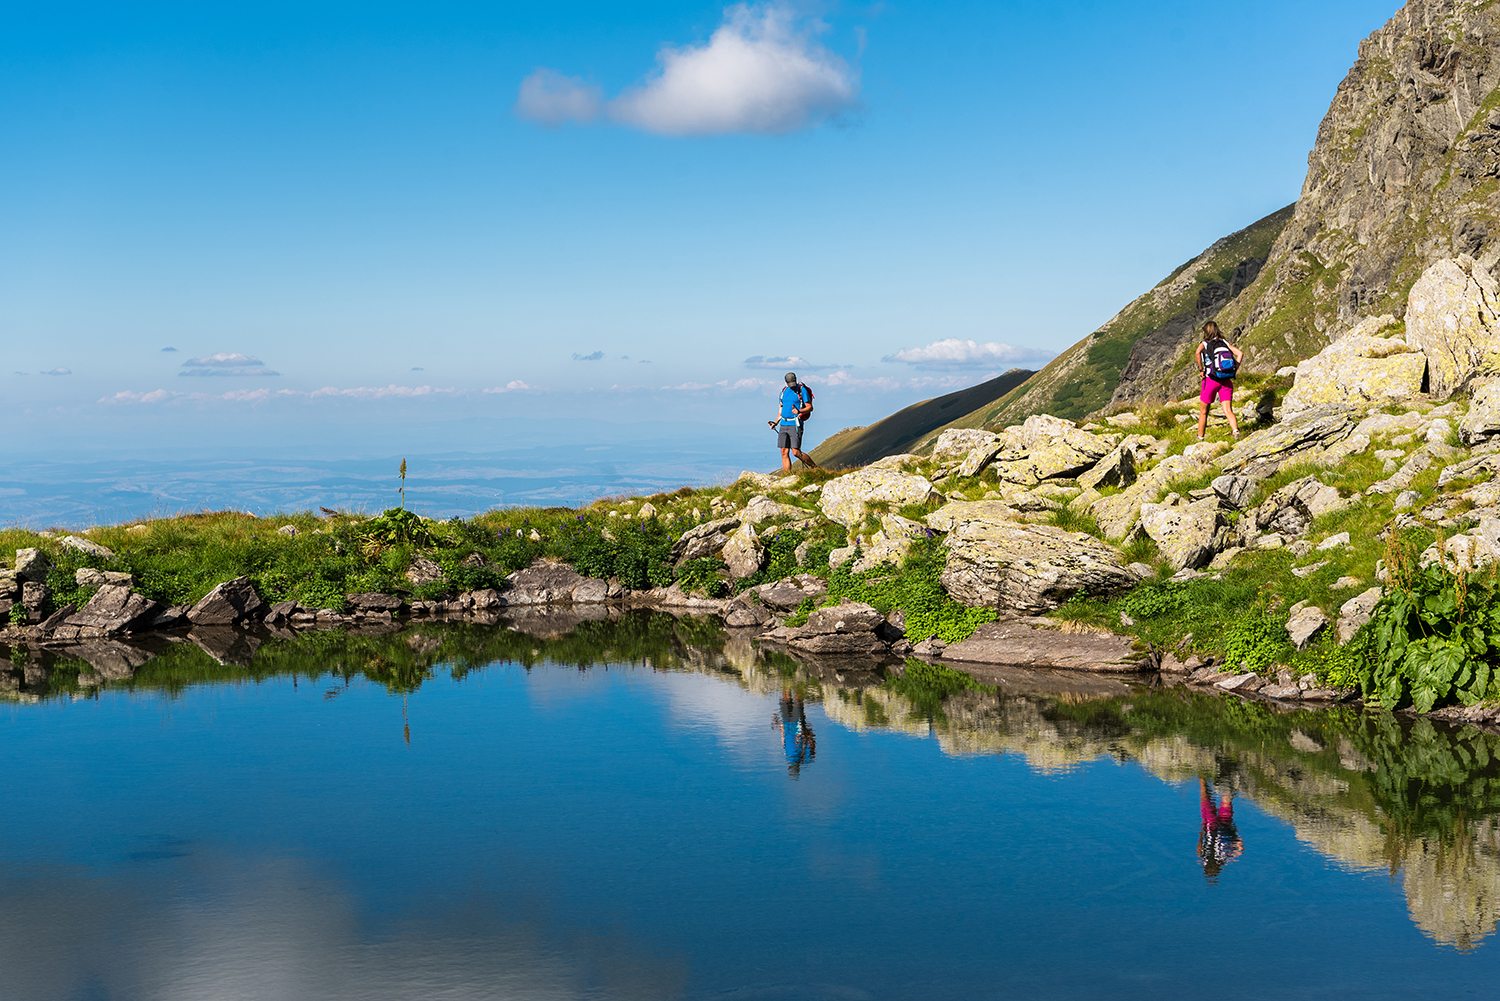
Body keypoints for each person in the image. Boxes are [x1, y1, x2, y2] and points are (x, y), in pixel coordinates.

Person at [1195, 321, 1243, 441]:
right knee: (1228, 410)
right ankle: (1235, 431)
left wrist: (1201, 369)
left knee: (1204, 412)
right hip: (1226, 380)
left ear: (1206, 331)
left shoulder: (1205, 343)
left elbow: (1197, 352)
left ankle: (1200, 438)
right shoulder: (1223, 342)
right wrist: (1234, 369)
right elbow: (1239, 353)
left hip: (1210, 380)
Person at [1197, 778, 1244, 882]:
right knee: (1206, 799)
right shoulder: (1204, 857)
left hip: (1225, 826)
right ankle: (1203, 778)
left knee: (1225, 803)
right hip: (1210, 827)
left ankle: (1225, 779)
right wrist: (1201, 832)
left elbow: (1240, 849)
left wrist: (1237, 839)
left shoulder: (1224, 859)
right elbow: (1199, 848)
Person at [771, 372, 818, 473]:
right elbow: (781, 409)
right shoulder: (783, 391)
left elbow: (810, 407)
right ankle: (787, 476)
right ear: (786, 382)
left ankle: (815, 468)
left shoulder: (801, 390)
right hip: (783, 424)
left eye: (793, 383)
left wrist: (799, 411)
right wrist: (775, 423)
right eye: (790, 384)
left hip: (795, 424)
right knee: (784, 451)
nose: (792, 386)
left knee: (796, 452)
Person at [773, 689, 817, 778]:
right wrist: (809, 736)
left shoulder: (789, 756)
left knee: (789, 701)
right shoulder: (804, 759)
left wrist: (780, 726)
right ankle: (798, 685)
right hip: (794, 725)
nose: (792, 765)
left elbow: (784, 740)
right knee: (794, 701)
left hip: (789, 725)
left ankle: (791, 684)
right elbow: (810, 745)